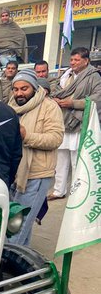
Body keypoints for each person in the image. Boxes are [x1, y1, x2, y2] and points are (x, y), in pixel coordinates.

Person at [7, 69, 64, 245]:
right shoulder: (11, 107)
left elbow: (56, 138)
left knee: (17, 225)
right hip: (15, 173)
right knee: (22, 222)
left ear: (34, 87)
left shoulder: (49, 106)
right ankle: (22, 264)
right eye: (15, 89)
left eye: (24, 88)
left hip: (37, 174)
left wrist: (27, 136)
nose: (19, 93)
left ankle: (8, 264)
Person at [49, 47, 101, 200]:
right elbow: (56, 90)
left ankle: (77, 192)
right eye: (72, 60)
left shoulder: (94, 76)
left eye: (77, 60)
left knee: (77, 160)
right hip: (62, 120)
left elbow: (98, 98)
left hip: (79, 122)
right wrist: (56, 100)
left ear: (86, 61)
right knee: (60, 160)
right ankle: (59, 191)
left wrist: (73, 103)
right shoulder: (66, 74)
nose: (73, 63)